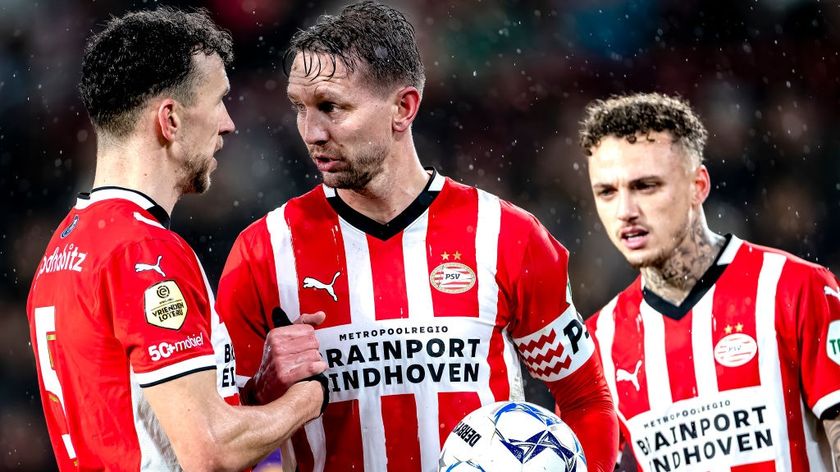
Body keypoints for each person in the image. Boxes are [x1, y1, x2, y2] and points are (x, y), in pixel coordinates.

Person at [215, 1, 618, 471]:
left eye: (330, 107)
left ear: (403, 108)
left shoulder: (507, 235)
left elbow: (587, 396)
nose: (312, 131)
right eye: (299, 108)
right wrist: (265, 389)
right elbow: (220, 442)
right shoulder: (264, 251)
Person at [26, 7, 328, 471]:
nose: (229, 123)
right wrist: (309, 398)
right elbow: (209, 451)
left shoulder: (68, 244)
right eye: (219, 101)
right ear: (170, 120)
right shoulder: (144, 254)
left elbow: (147, 423)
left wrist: (260, 392)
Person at [580, 92, 840, 471]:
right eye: (607, 192)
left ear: (698, 186)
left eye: (646, 186)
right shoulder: (597, 344)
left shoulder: (793, 288)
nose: (625, 211)